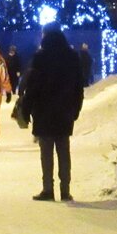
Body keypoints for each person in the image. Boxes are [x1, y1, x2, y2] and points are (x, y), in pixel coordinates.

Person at [20, 23, 85, 202]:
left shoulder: (40, 57)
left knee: (46, 151)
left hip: (43, 110)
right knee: (64, 150)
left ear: (45, 35)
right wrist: (76, 108)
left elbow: (32, 86)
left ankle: (48, 189)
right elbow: (79, 85)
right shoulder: (72, 56)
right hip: (65, 110)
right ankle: (65, 190)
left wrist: (26, 109)